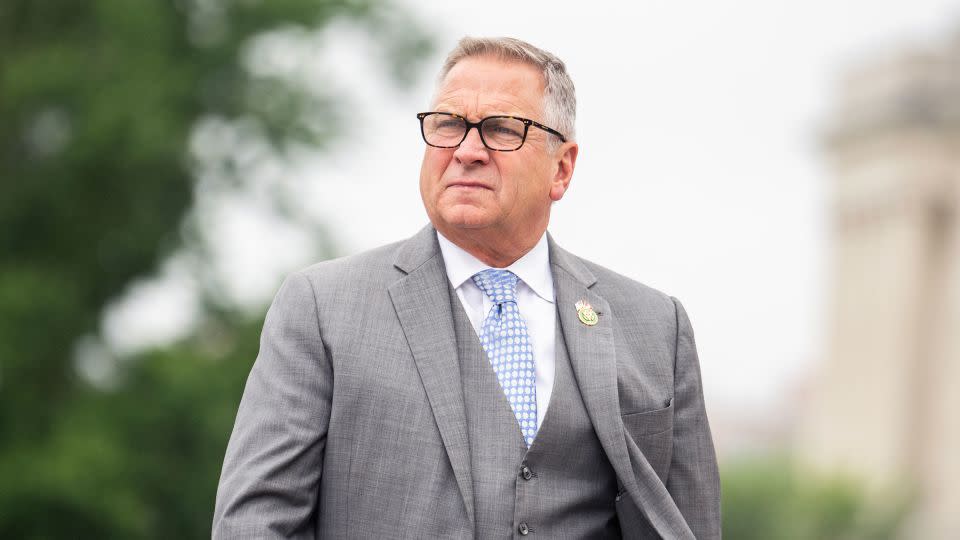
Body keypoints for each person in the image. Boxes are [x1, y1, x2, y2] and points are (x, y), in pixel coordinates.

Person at [213, 36, 720, 539]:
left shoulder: (656, 327)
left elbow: (689, 524)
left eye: (501, 130)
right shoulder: (324, 309)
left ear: (561, 168)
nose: (466, 151)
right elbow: (256, 523)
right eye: (449, 125)